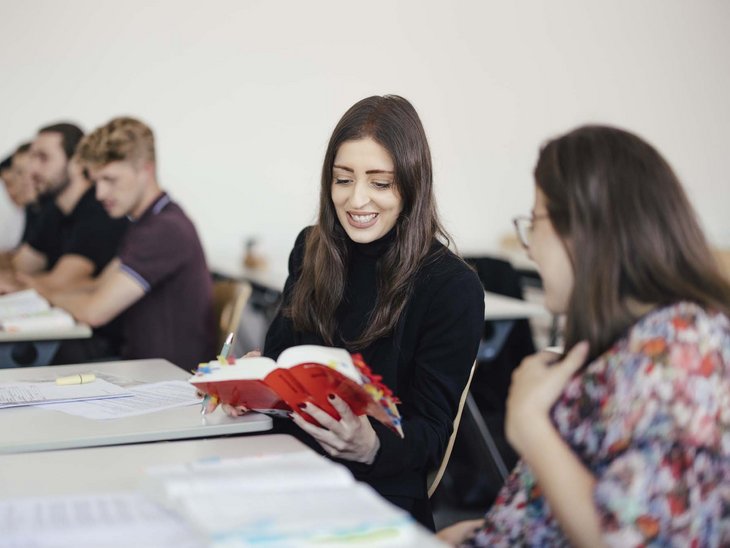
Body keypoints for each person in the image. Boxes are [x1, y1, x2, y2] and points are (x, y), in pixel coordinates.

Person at [439, 125, 730, 546]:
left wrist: (529, 425)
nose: (529, 247)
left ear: (585, 230)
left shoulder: (683, 346)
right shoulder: (629, 339)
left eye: (535, 222)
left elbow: (632, 536)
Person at [211, 95, 485, 529]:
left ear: (413, 184)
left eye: (380, 183)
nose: (357, 200)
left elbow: (431, 435)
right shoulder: (311, 247)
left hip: (374, 493)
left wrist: (370, 445)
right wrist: (254, 388)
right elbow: (282, 364)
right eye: (343, 179)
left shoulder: (451, 286)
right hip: (288, 467)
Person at [31, 116, 216, 371]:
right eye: (96, 181)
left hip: (171, 383)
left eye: (110, 179)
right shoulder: (147, 221)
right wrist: (46, 292)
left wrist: (43, 293)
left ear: (146, 170)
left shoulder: (164, 229)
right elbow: (97, 287)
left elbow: (93, 312)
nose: (100, 194)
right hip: (145, 372)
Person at [1, 123, 127, 293]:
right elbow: (21, 267)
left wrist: (18, 284)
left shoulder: (101, 212)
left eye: (43, 158)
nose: (32, 169)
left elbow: (61, 283)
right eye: (32, 158)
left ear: (77, 163)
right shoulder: (53, 210)